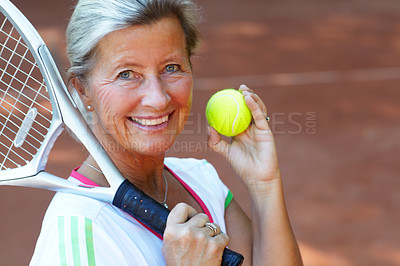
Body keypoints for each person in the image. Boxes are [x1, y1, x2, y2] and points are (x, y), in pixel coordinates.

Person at [31, 0, 303, 265]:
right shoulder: (79, 233)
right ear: (82, 90)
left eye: (171, 68)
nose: (158, 99)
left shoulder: (200, 179)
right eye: (127, 74)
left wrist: (264, 186)